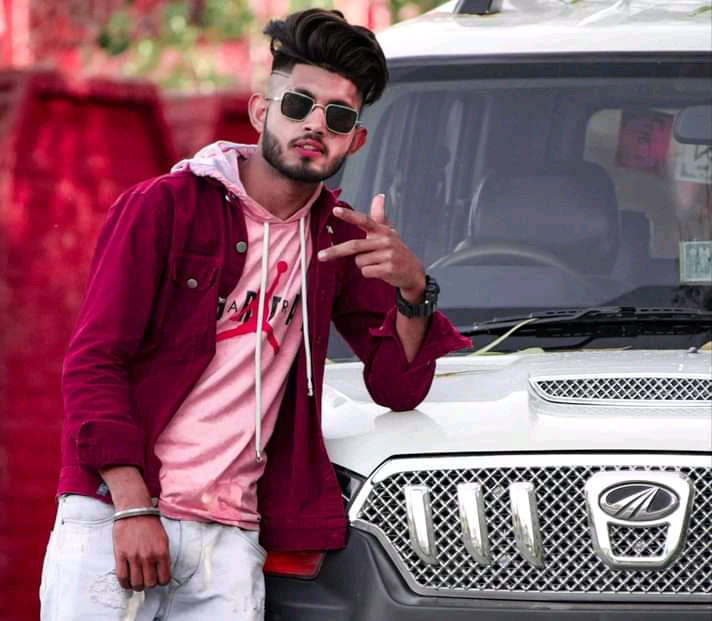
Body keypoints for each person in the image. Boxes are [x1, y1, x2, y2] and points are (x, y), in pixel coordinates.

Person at [39, 8, 470, 620]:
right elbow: (94, 361)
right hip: (118, 513)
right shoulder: (164, 208)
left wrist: (412, 289)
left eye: (338, 117)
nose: (315, 125)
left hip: (230, 540)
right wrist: (130, 502)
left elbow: (397, 387)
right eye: (298, 105)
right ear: (261, 111)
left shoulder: (338, 242)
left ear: (355, 140)